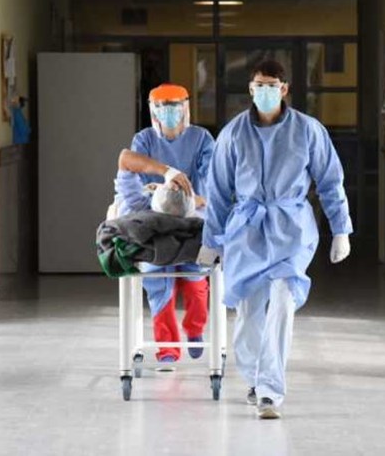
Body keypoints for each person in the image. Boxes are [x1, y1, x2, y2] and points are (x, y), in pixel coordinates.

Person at [197, 60, 352, 419]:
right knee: (248, 312)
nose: (264, 91)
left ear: (284, 89)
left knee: (282, 300)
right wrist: (212, 240)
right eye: (258, 86)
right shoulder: (233, 134)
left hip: (291, 229)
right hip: (246, 231)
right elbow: (218, 191)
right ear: (250, 90)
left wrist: (340, 229)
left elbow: (330, 181)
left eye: (271, 85)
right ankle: (254, 379)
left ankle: (269, 391)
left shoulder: (308, 131)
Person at [114, 83, 215, 367]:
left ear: (186, 108)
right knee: (158, 283)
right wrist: (162, 184)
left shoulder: (201, 139)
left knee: (197, 279)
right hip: (155, 216)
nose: (169, 113)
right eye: (163, 108)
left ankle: (195, 329)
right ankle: (168, 348)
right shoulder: (144, 140)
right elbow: (131, 167)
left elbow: (211, 179)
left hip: (192, 214)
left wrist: (193, 198)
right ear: (153, 111)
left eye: (175, 107)